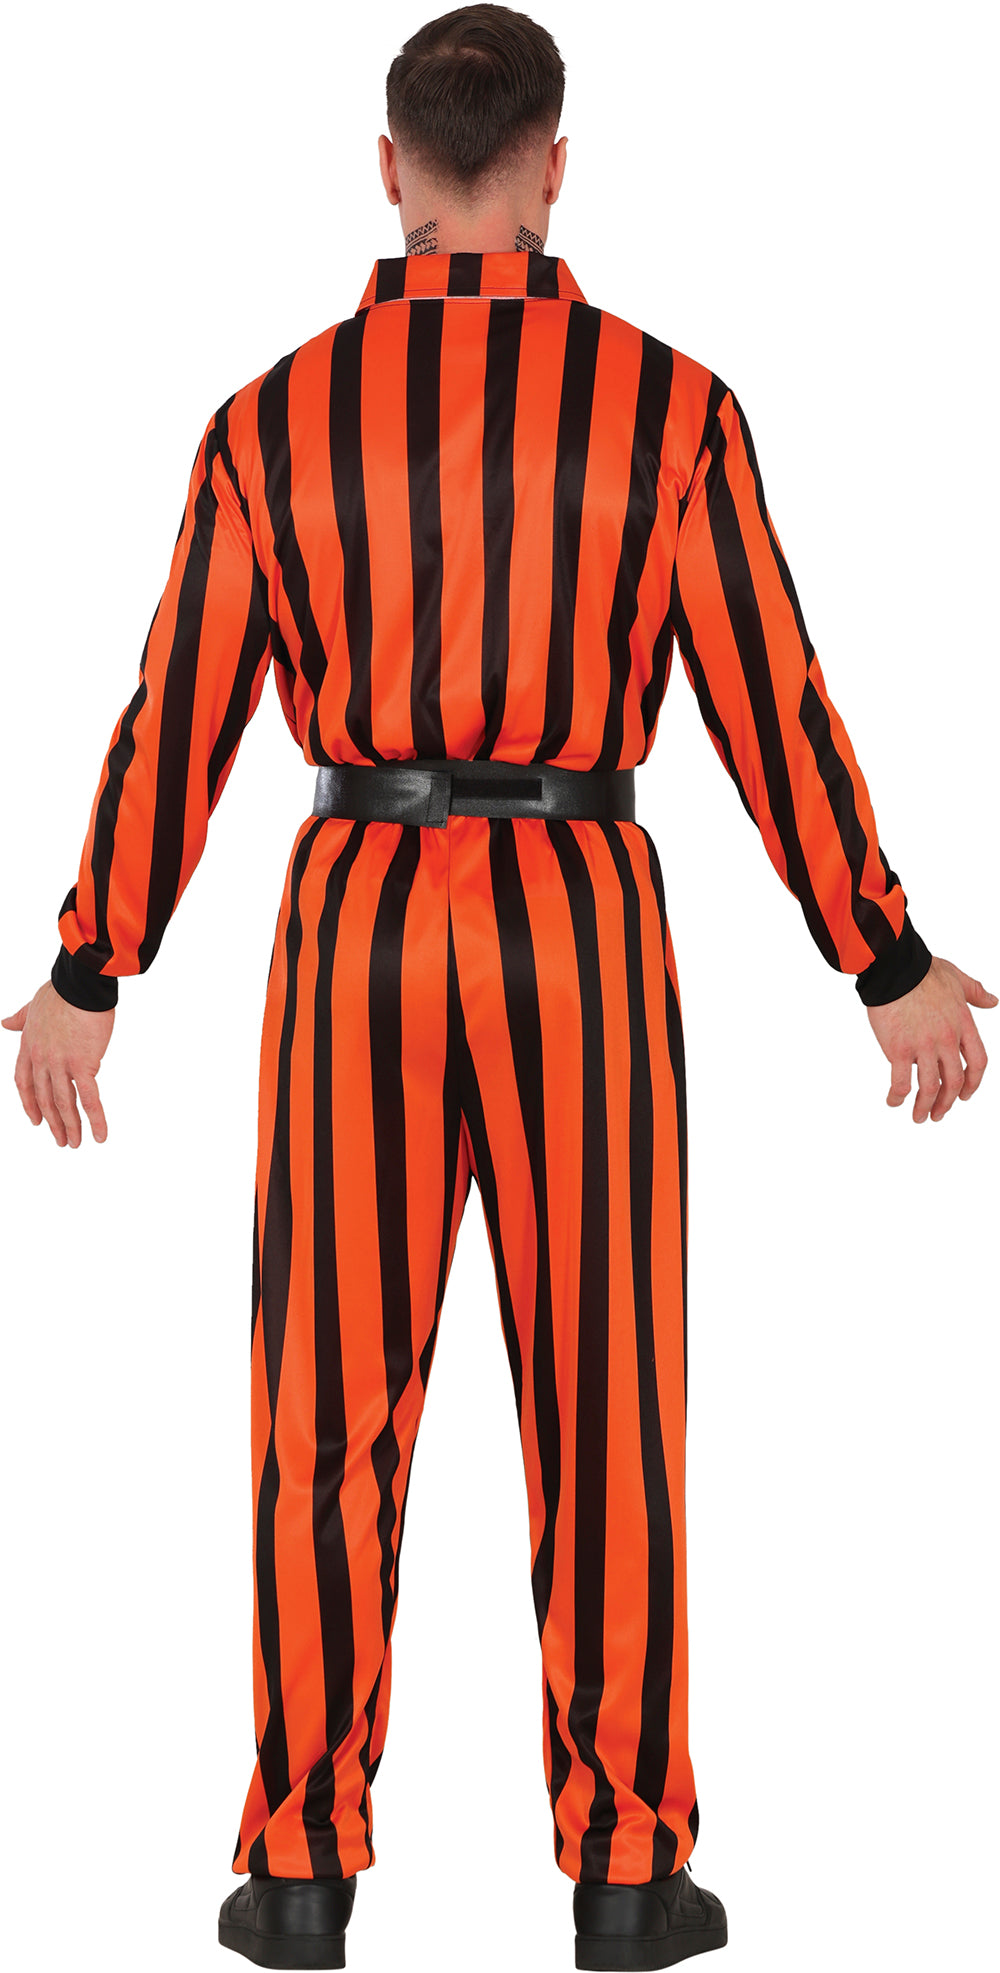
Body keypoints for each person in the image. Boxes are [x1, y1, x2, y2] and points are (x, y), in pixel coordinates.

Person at [3, 5, 995, 1969]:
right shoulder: (668, 407)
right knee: (607, 1393)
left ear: (388, 169)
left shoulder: (270, 419)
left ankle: (299, 1864)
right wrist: (877, 954)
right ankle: (625, 1873)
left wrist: (90, 964)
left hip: (356, 913)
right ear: (555, 165)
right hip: (576, 910)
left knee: (323, 1403)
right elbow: (768, 699)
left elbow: (178, 706)